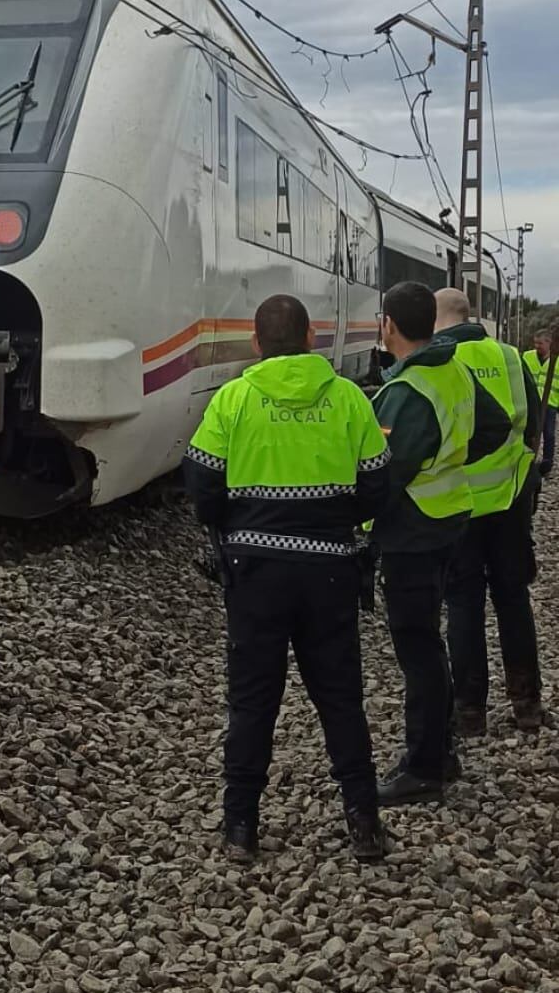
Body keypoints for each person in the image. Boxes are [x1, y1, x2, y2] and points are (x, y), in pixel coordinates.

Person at [184, 293, 391, 862]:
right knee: (340, 698)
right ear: (311, 340)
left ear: (257, 343)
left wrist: (232, 524)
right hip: (329, 571)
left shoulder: (235, 399)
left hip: (256, 575)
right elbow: (377, 482)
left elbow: (201, 484)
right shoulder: (349, 399)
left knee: (253, 701)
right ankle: (365, 822)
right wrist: (340, 522)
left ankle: (240, 828)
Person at [369, 282, 510, 806]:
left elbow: (386, 476)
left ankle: (425, 764)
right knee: (431, 639)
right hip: (452, 519)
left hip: (414, 532)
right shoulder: (454, 370)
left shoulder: (406, 393)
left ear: (388, 325)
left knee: (419, 645)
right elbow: (494, 426)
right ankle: (443, 750)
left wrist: (357, 526)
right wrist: (451, 456)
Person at [435, 288, 544, 733]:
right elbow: (534, 426)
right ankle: (527, 704)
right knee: (513, 598)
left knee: (463, 604)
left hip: (456, 503)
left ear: (439, 320)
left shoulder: (438, 364)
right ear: (472, 316)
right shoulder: (511, 359)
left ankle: (470, 710)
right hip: (509, 501)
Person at [522, 329, 559, 475]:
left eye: (540, 343)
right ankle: (527, 461)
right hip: (531, 403)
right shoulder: (527, 356)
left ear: (549, 343)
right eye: (535, 342)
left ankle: (547, 463)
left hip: (550, 404)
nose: (537, 346)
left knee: (549, 434)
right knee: (529, 433)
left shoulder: (557, 361)